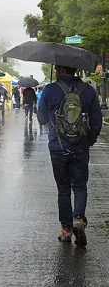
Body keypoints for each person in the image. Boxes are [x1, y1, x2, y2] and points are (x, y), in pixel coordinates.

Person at [37, 65, 102, 246]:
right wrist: (88, 142)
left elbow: (41, 119)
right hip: (81, 147)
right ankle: (78, 220)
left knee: (63, 189)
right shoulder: (88, 91)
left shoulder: (50, 89)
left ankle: (66, 230)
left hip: (57, 147)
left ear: (59, 69)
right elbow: (96, 122)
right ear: (74, 69)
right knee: (80, 187)